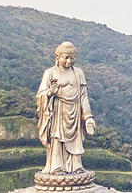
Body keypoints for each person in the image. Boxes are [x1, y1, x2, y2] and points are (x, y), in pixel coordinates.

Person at [37, 42, 96, 175]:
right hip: (58, 110)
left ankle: (76, 166)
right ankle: (57, 167)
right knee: (57, 139)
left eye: (72, 58)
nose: (69, 61)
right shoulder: (50, 73)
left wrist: (88, 117)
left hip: (75, 111)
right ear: (57, 57)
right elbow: (41, 94)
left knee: (76, 140)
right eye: (66, 57)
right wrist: (49, 93)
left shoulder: (79, 73)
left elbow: (83, 96)